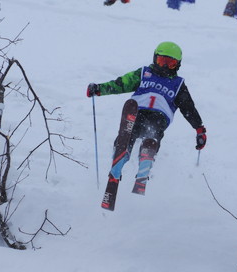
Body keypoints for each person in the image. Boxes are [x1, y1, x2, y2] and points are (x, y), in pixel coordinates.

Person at [86, 41, 207, 195]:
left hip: (159, 116)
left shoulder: (178, 84)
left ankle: (147, 156)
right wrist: (99, 89)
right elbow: (121, 83)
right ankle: (122, 154)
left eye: (170, 63)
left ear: (177, 66)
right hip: (137, 111)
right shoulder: (144, 73)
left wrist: (199, 129)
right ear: (155, 58)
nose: (164, 66)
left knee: (154, 132)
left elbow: (188, 108)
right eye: (162, 61)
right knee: (130, 132)